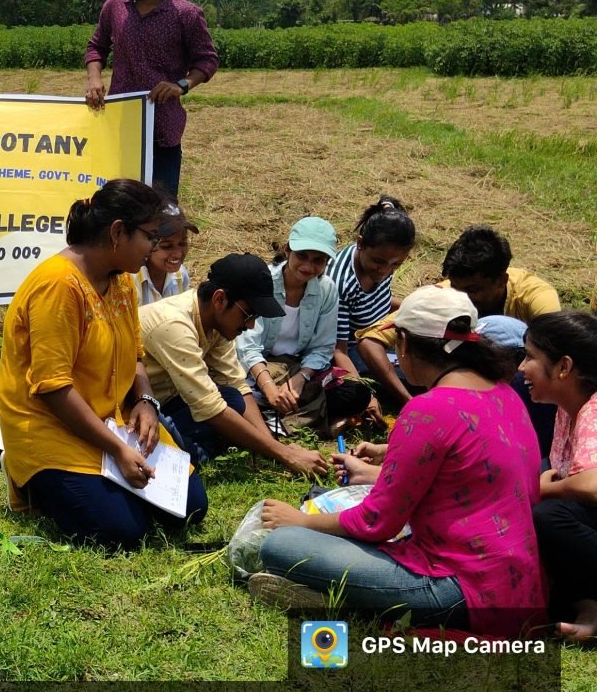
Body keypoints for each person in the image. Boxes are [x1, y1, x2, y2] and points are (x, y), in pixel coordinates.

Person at [252, 286, 543, 632]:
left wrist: (300, 522)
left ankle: (340, 603)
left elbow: (376, 522)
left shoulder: (428, 409)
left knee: (281, 545)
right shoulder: (505, 393)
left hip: (457, 590)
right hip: (518, 587)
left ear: (403, 342)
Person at [0, 178, 208, 550]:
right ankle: (27, 477)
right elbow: (53, 389)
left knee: (190, 508)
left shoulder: (122, 281)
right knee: (122, 532)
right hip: (52, 429)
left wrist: (146, 402)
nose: (154, 247)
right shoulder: (57, 286)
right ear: (117, 233)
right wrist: (118, 449)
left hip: (113, 423)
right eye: (150, 237)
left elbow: (135, 357)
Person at [141, 254, 332, 479]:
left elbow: (237, 384)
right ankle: (189, 452)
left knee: (233, 398)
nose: (250, 325)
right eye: (249, 314)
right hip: (140, 409)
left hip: (170, 403)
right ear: (220, 299)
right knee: (181, 434)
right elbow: (209, 408)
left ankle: (193, 449)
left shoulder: (215, 321)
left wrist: (275, 446)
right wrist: (286, 455)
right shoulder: (174, 325)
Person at [355, 225, 559, 410]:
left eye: (474, 290)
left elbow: (557, 351)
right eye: (455, 288)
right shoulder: (446, 295)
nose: (463, 299)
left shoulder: (535, 296)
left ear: (501, 281)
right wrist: (408, 400)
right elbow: (369, 341)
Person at [83, 0, 217, 199]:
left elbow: (206, 60)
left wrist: (181, 85)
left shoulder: (186, 14)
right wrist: (94, 78)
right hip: (119, 126)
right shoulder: (114, 7)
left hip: (163, 130)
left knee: (161, 207)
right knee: (116, 204)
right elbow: (97, 46)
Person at [519, 311, 597, 641]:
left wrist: (541, 491)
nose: (521, 367)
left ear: (564, 367)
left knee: (548, 515)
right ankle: (585, 604)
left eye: (530, 357)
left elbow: (592, 485)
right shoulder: (567, 408)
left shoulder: (593, 409)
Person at [235, 217, 340, 429]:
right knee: (238, 392)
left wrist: (301, 378)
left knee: (351, 392)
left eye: (318, 260)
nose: (308, 266)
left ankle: (269, 418)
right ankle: (290, 418)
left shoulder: (327, 289)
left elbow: (323, 347)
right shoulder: (263, 281)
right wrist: (269, 387)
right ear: (287, 250)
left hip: (296, 367)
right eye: (302, 256)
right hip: (260, 367)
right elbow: (247, 346)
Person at [327, 196, 414, 375]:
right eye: (378, 262)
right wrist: (363, 389)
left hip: (378, 334)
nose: (385, 270)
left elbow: (378, 301)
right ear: (360, 243)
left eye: (396, 264)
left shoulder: (383, 260)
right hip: (354, 350)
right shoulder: (340, 285)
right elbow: (338, 351)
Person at [135, 196, 195, 307]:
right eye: (167, 246)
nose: (178, 254)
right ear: (148, 244)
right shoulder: (131, 281)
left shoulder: (181, 275)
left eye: (182, 243)